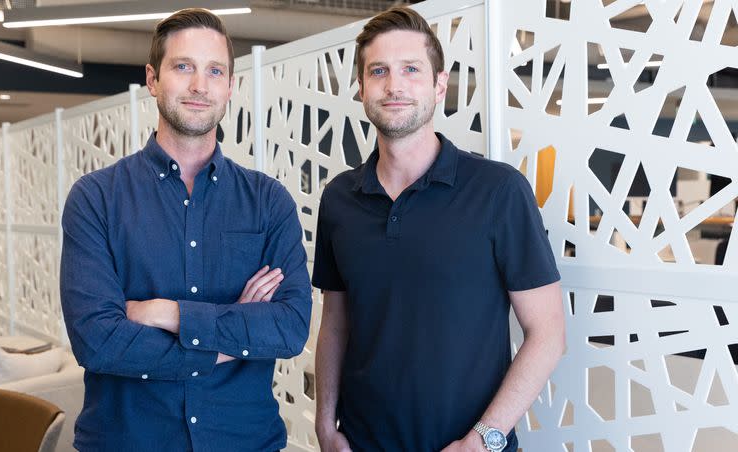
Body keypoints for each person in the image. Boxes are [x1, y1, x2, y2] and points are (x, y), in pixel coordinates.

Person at [313, 6, 565, 452]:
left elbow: (547, 334)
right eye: (379, 71)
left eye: (411, 69)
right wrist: (324, 425)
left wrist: (482, 440)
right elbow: (336, 322)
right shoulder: (339, 199)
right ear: (361, 88)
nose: (395, 85)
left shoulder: (498, 191)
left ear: (439, 84)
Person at [59, 8, 311, 452]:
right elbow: (98, 342)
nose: (200, 85)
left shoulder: (269, 202)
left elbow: (289, 329)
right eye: (183, 67)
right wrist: (233, 335)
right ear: (153, 79)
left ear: (230, 87)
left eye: (215, 71)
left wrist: (168, 314)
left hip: (245, 441)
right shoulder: (95, 198)